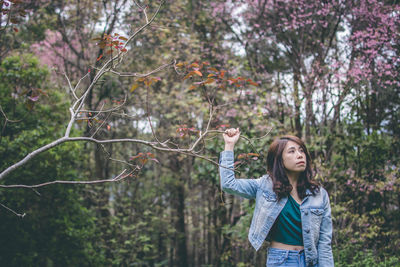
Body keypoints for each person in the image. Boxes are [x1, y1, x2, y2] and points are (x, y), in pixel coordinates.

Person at [219, 128, 334, 267]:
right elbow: (228, 184)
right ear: (279, 160)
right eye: (292, 151)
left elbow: (324, 242)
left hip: (311, 261)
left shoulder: (319, 194)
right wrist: (229, 145)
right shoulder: (265, 186)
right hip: (281, 260)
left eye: (301, 150)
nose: (299, 155)